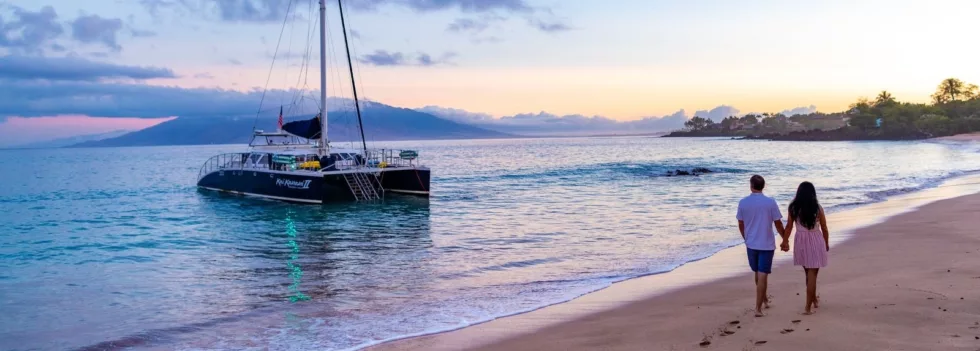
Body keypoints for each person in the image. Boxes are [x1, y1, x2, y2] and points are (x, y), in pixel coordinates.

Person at [736, 175, 788, 317]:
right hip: (766, 244)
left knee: (758, 273)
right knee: (762, 274)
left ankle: (763, 301)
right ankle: (758, 308)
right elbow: (778, 223)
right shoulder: (770, 202)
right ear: (763, 186)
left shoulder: (743, 202)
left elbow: (741, 223)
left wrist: (746, 238)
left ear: (751, 186)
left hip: (751, 244)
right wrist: (785, 239)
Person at [784, 181, 829, 315]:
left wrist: (785, 241)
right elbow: (824, 227)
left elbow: (789, 226)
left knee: (808, 273)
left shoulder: (793, 208)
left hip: (801, 241)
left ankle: (814, 300)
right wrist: (826, 242)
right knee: (813, 274)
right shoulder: (817, 208)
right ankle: (807, 307)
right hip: (816, 239)